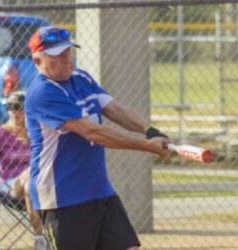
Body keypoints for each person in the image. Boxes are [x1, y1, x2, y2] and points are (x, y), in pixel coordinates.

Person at [25, 26, 171, 250]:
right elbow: (93, 132)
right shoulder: (43, 92)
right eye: (57, 56)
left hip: (99, 190)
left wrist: (149, 131)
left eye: (67, 53)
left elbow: (114, 110)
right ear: (37, 61)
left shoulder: (81, 78)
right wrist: (146, 146)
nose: (66, 60)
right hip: (63, 197)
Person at [0, 91, 48, 250]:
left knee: (29, 186)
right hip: (9, 186)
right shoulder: (2, 134)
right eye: (9, 107)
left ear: (28, 109)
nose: (12, 111)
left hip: (34, 186)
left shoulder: (38, 132)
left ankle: (40, 239)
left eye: (17, 107)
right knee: (31, 175)